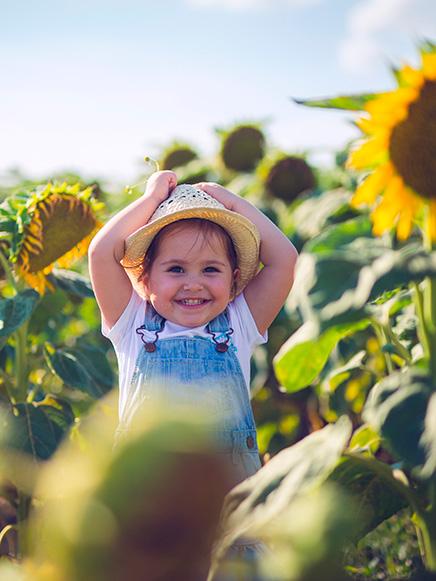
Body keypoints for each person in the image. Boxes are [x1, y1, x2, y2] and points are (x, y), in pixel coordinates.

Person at [88, 170, 298, 574]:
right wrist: (151, 199)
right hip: (149, 502)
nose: (194, 284)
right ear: (145, 278)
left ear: (235, 278)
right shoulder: (132, 324)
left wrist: (229, 201)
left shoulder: (239, 325)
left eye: (211, 270)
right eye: (176, 269)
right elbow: (101, 254)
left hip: (227, 504)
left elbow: (285, 259)